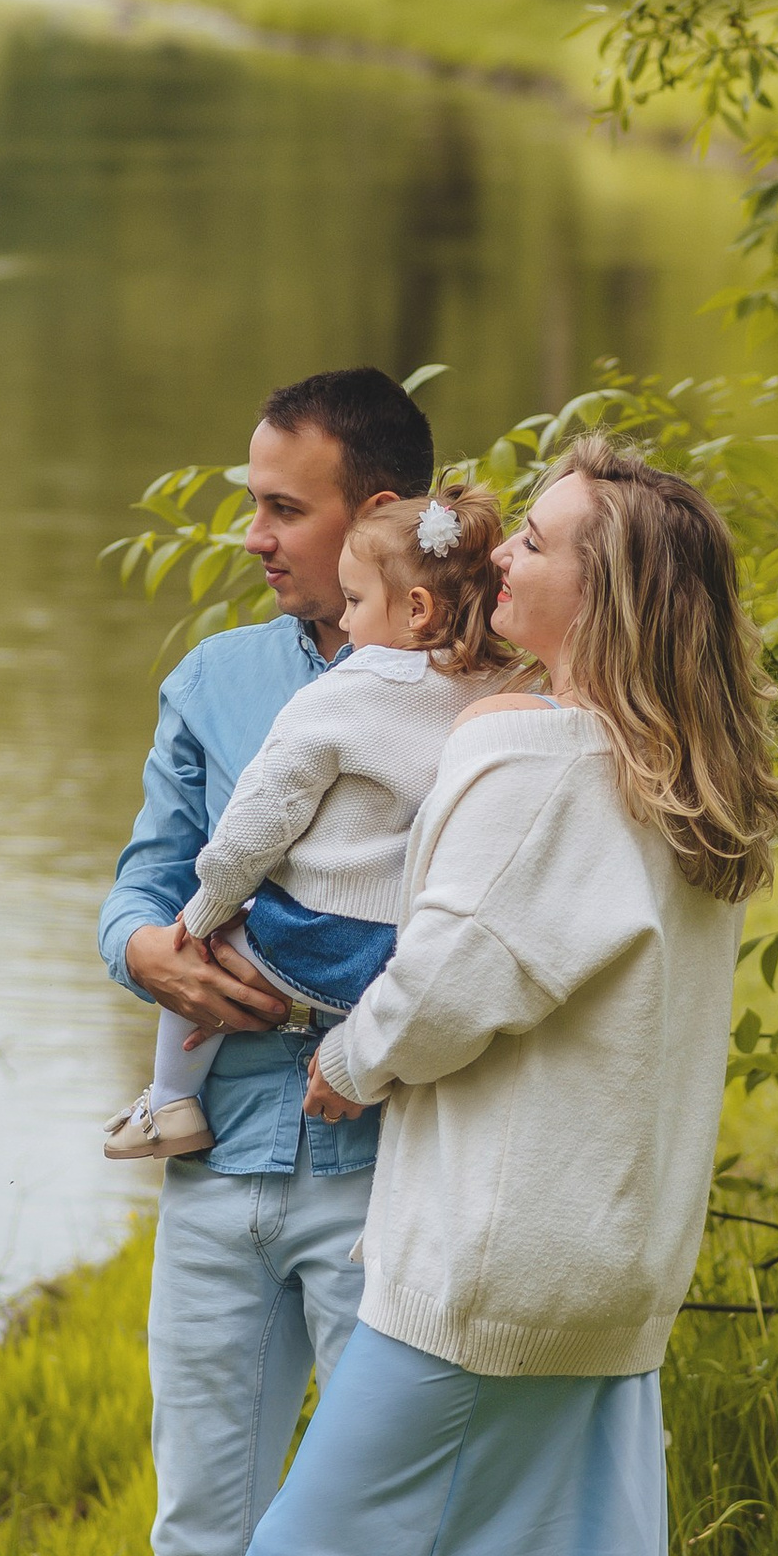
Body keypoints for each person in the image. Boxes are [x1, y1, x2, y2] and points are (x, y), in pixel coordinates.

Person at [143, 437, 778, 1556]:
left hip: (488, 1261)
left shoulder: (534, 760)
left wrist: (349, 1061)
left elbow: (452, 980)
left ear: (608, 595)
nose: (504, 564)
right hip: (616, 1265)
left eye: (544, 548)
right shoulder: (686, 780)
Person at [38, 368, 468, 1556]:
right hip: (217, 1171)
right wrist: (139, 945)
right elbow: (150, 874)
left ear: (377, 518)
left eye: (282, 507)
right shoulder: (218, 678)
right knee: (198, 1539)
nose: (252, 534)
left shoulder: (476, 684)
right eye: (251, 499)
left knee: (389, 1549)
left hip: (393, 1170)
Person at [102, 484, 508, 1160]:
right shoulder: (505, 690)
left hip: (318, 942)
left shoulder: (344, 691)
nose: (346, 627)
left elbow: (255, 827)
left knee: (208, 941)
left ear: (415, 609)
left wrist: (202, 916)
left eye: (355, 603)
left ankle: (170, 1102)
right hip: (406, 958)